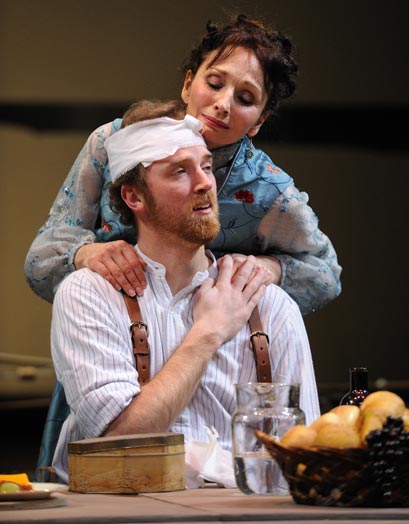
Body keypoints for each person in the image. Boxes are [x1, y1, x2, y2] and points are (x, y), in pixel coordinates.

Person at [50, 100, 320, 483]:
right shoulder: (89, 294)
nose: (204, 182)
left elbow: (306, 460)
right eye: (180, 171)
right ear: (134, 198)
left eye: (206, 166)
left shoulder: (269, 304)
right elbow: (117, 442)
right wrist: (208, 332)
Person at [25, 14, 342, 316]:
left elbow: (325, 272)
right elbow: (40, 258)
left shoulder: (266, 188)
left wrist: (267, 268)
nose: (223, 104)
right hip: (108, 333)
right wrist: (84, 254)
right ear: (189, 83)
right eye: (215, 83)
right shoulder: (115, 143)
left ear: (260, 120)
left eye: (245, 99)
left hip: (213, 353)